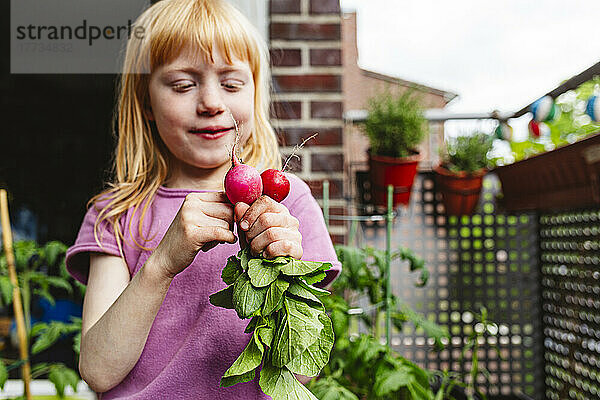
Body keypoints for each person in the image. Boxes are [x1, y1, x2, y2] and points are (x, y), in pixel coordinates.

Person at [65, 0, 340, 398]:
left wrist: (283, 265)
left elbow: (303, 370)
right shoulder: (116, 215)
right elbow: (98, 370)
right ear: (145, 102)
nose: (212, 102)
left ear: (255, 95)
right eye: (182, 84)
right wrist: (160, 264)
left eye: (231, 84)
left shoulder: (288, 204)